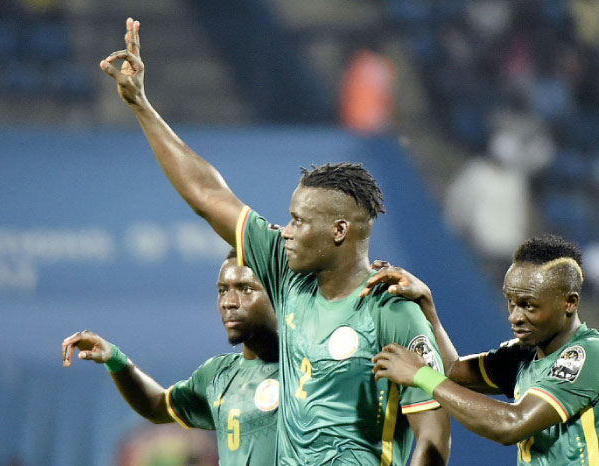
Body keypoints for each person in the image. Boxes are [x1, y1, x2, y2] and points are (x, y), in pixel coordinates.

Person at [99, 17, 450, 466]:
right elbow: (209, 196)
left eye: (300, 221)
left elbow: (433, 439)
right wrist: (141, 105)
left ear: (339, 231)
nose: (286, 230)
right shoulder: (288, 280)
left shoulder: (392, 311)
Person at [365, 234, 599, 465]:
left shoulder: (590, 354)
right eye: (510, 302)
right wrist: (426, 305)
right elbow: (451, 370)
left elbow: (511, 425)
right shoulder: (524, 354)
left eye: (528, 305)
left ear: (569, 302)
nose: (514, 316)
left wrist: (421, 375)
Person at [62, 250, 280, 466]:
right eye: (223, 290)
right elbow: (157, 406)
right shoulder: (218, 375)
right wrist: (115, 358)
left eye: (245, 289)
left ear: (278, 294)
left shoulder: (305, 367)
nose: (229, 302)